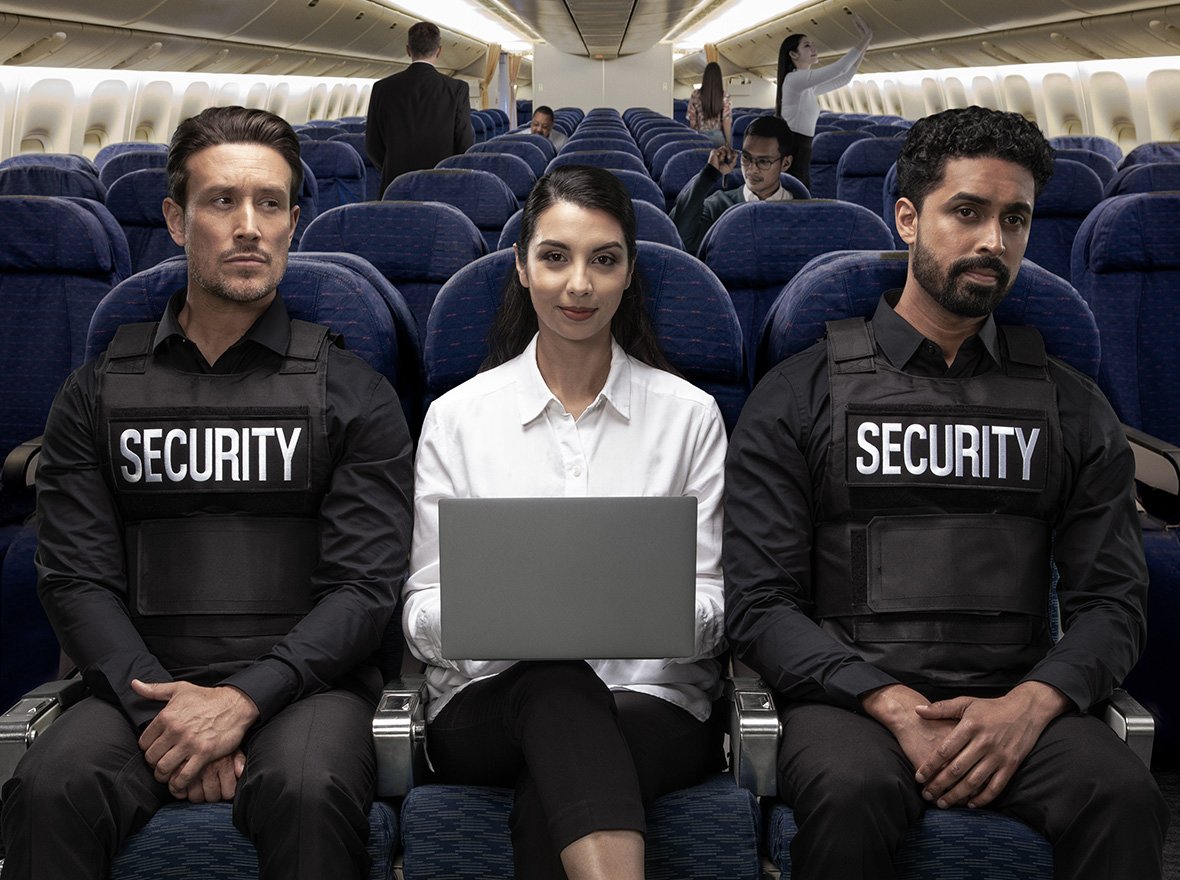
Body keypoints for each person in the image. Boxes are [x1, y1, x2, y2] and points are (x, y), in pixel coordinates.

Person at [723, 105, 1168, 880]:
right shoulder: (799, 395)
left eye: (1014, 219)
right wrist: (885, 699)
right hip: (848, 702)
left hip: (1015, 698)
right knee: (853, 792)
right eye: (966, 212)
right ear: (907, 218)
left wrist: (1032, 703)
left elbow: (1113, 602)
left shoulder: (1071, 406)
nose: (993, 240)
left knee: (1125, 796)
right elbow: (759, 603)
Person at [0, 106, 414, 880]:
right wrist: (172, 715)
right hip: (138, 685)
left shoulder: (355, 393)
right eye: (222, 201)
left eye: (269, 203)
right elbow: (75, 580)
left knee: (308, 789)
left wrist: (244, 700)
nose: (248, 226)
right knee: (50, 788)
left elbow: (364, 589)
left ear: (293, 223)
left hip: (307, 689)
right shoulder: (94, 394)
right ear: (175, 221)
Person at [403, 165, 727, 880]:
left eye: (603, 260)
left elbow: (715, 600)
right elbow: (421, 607)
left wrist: (641, 616)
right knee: (555, 685)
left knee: (558, 771)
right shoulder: (457, 420)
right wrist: (503, 622)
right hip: (488, 705)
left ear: (628, 273)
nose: (579, 284)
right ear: (522, 268)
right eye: (555, 257)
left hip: (654, 702)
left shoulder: (690, 417)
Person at [365, 20, 474, 195]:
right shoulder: (457, 89)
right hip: (442, 186)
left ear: (408, 50)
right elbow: (464, 144)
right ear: (439, 51)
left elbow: (373, 146)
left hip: (395, 186)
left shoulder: (382, 88)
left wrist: (394, 169)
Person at [669, 114, 798, 255]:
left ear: (785, 163)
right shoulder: (719, 205)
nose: (751, 169)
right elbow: (680, 239)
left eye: (763, 161)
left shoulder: (802, 209)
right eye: (746, 158)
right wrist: (709, 174)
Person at [775, 11, 872, 187]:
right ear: (793, 55)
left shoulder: (807, 86)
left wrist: (866, 42)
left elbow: (845, 77)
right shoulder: (794, 80)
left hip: (802, 151)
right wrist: (866, 37)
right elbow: (841, 69)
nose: (813, 48)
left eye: (812, 44)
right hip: (793, 150)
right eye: (807, 46)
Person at [686, 61, 732, 148]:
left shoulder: (695, 94)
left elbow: (692, 120)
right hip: (718, 137)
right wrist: (728, 142)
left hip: (700, 136)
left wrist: (693, 137)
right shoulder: (724, 95)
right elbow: (726, 120)